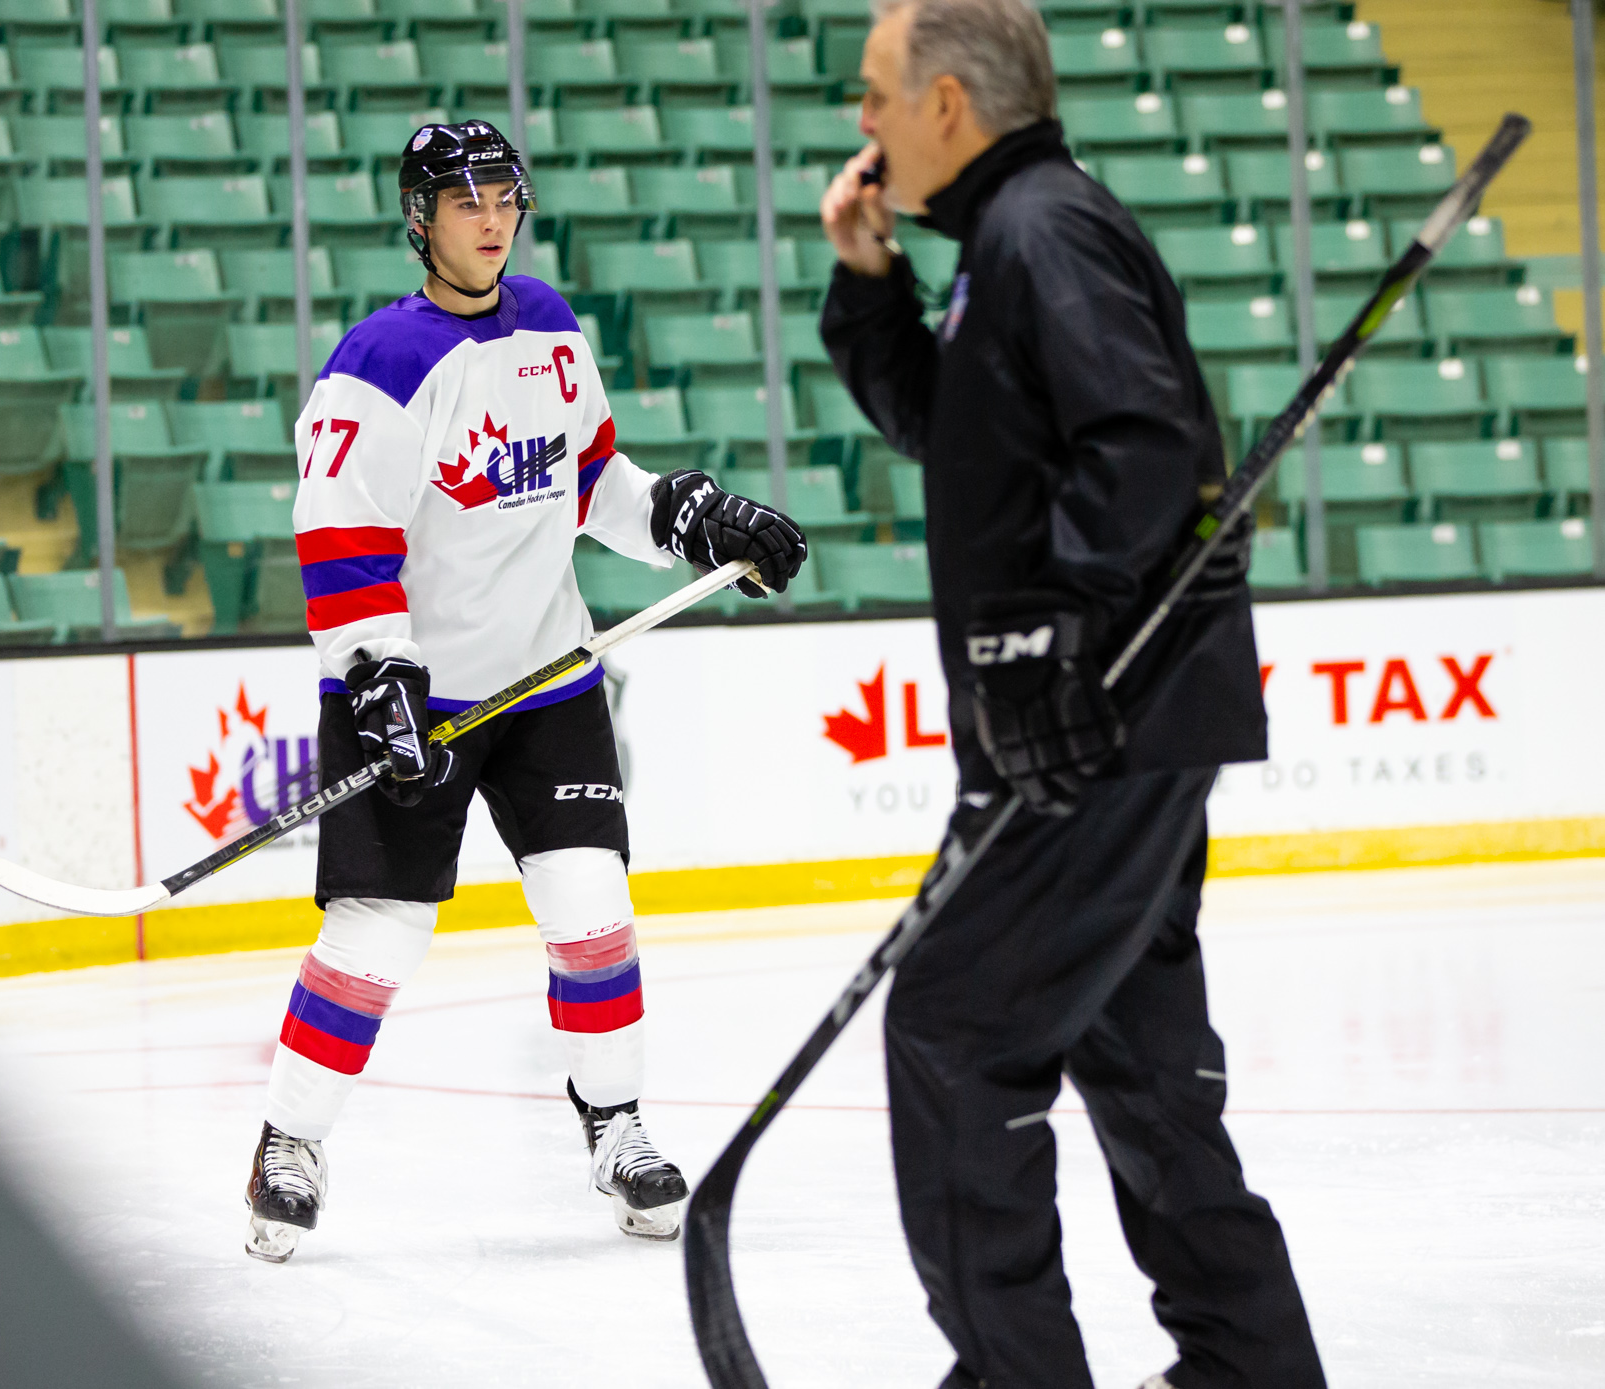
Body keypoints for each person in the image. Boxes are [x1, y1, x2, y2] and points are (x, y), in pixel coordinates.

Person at [816, 3, 1327, 1386]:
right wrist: (871, 292)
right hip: (1114, 722)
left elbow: (1149, 440)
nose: (860, 126)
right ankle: (1251, 1365)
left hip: (1094, 728)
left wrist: (1051, 640)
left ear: (945, 105)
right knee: (1137, 1054)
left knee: (954, 1028)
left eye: (874, 95)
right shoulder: (1010, 240)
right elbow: (962, 443)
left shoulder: (1043, 231)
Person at [241, 120, 809, 1264]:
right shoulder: (377, 366)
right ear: (419, 217)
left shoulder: (548, 326)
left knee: (592, 914)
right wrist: (376, 676)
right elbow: (338, 536)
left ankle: (617, 1127)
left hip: (547, 680)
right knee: (375, 937)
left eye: (504, 196)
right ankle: (288, 1142)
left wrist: (691, 519)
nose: (491, 218)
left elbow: (592, 479)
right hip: (413, 694)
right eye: (465, 201)